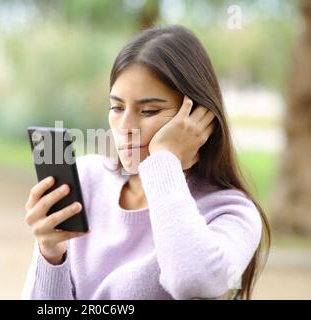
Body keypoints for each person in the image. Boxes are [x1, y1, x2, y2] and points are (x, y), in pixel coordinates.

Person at [21, 24, 270, 300]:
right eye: (116, 107)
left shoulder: (232, 212)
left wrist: (165, 160)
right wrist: (50, 253)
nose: (125, 126)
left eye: (148, 110)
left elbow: (191, 281)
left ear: (199, 118)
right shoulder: (86, 179)